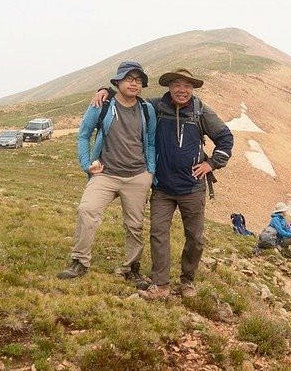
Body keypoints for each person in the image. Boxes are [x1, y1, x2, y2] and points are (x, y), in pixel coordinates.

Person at [95, 68, 233, 299]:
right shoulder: (155, 107)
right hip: (162, 187)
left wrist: (212, 163)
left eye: (187, 86)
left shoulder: (200, 111)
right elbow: (128, 99)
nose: (182, 90)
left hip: (193, 187)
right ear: (169, 86)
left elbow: (226, 138)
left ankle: (188, 281)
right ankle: (161, 284)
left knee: (196, 238)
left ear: (192, 89)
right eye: (177, 84)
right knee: (158, 234)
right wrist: (106, 91)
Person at [57, 61, 157, 289]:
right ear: (117, 82)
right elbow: (83, 135)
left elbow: (151, 142)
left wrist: (149, 172)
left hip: (137, 176)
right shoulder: (101, 104)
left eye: (138, 80)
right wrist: (86, 164)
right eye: (129, 79)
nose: (134, 83)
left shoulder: (146, 109)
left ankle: (132, 268)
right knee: (87, 210)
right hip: (105, 174)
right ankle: (79, 262)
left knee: (134, 225)